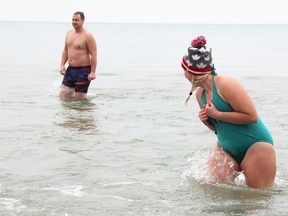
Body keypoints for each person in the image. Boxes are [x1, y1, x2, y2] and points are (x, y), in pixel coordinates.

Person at [181, 36, 276, 189]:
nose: (183, 72)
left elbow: (251, 116)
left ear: (192, 71)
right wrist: (207, 121)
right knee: (210, 192)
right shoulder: (200, 94)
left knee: (256, 201)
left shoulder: (227, 84)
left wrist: (217, 114)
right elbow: (217, 129)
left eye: (184, 68)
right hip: (226, 149)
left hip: (256, 146)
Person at [59, 11, 97, 100]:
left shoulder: (87, 35)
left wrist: (93, 72)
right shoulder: (69, 33)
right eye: (73, 20)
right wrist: (62, 65)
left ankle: (83, 114)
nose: (74, 22)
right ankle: (68, 114)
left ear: (82, 21)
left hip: (83, 71)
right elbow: (65, 50)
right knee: (63, 95)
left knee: (80, 100)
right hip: (70, 70)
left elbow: (94, 54)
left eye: (77, 20)